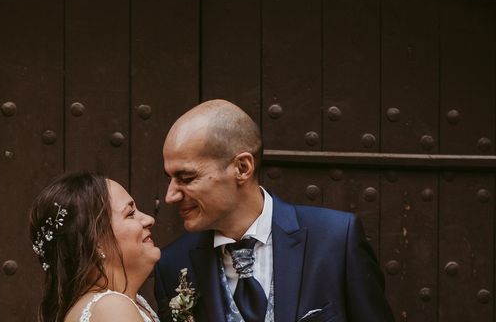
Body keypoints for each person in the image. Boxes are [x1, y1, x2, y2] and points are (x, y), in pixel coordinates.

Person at [154, 99, 394, 322]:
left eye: (186, 178)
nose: (170, 196)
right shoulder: (172, 265)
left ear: (242, 167)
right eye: (170, 179)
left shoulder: (337, 240)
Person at [29, 172, 161, 322]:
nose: (149, 220)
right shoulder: (112, 308)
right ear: (96, 241)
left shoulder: (123, 302)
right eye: (130, 213)